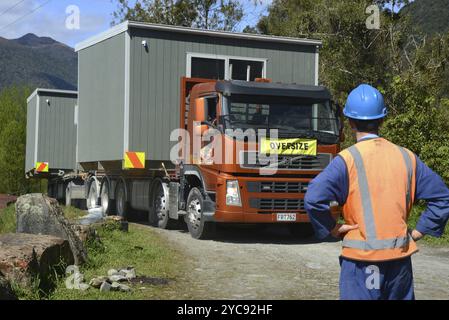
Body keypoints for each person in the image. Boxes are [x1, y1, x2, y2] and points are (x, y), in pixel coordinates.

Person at [304, 84, 449, 300]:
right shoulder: (407, 158)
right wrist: (418, 232)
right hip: (398, 261)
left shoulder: (347, 160)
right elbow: (442, 197)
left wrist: (332, 228)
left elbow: (313, 198)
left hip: (360, 263)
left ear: (350, 122)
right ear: (382, 119)